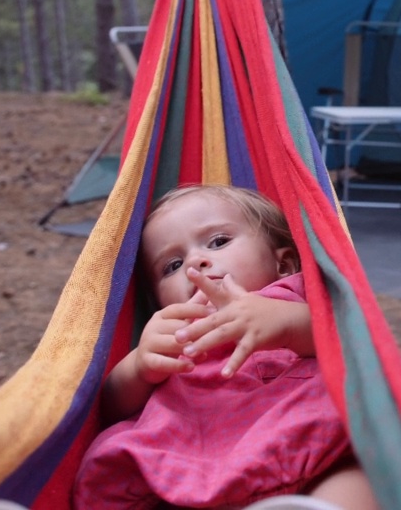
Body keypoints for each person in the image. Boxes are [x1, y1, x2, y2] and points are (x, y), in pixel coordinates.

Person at [73, 184, 378, 510]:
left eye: (218, 242)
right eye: (172, 266)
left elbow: (350, 345)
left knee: (359, 474)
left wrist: (286, 324)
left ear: (284, 264)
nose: (195, 263)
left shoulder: (296, 298)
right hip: (196, 467)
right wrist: (139, 368)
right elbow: (109, 408)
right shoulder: (174, 332)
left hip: (310, 449)